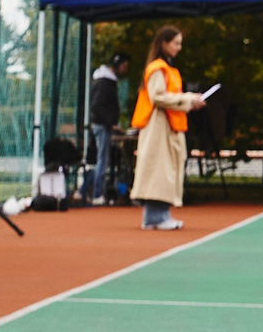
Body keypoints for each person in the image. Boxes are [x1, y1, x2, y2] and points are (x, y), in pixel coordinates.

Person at [129, 26, 205, 230]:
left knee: (167, 170)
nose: (179, 48)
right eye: (176, 43)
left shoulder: (168, 69)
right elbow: (158, 97)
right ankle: (155, 217)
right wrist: (187, 98)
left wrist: (188, 103)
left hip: (170, 125)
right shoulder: (157, 68)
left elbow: (169, 97)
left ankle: (159, 216)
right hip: (158, 126)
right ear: (164, 43)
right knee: (159, 171)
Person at [82, 53, 124, 203]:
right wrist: (109, 123)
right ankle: (96, 193)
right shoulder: (105, 83)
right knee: (102, 160)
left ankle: (90, 190)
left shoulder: (107, 82)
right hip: (102, 126)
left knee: (102, 160)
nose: (125, 69)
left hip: (102, 124)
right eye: (124, 66)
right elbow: (97, 105)